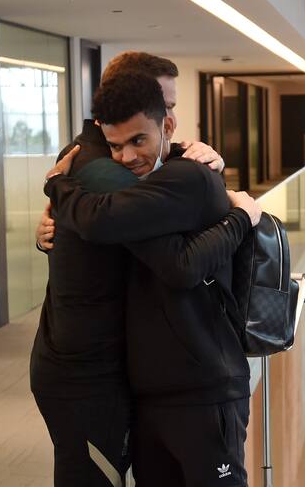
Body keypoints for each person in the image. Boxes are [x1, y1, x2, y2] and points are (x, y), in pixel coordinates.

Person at [44, 71, 260, 487]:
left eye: (137, 141)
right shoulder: (138, 192)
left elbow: (180, 267)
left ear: (168, 125)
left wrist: (57, 187)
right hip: (153, 394)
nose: (126, 157)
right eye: (115, 145)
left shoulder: (186, 178)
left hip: (205, 387)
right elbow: (99, 225)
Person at [36, 51, 224, 253]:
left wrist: (210, 164)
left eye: (170, 107)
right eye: (161, 105)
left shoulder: (109, 150)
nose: (172, 119)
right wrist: (240, 216)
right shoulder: (101, 167)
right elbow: (182, 259)